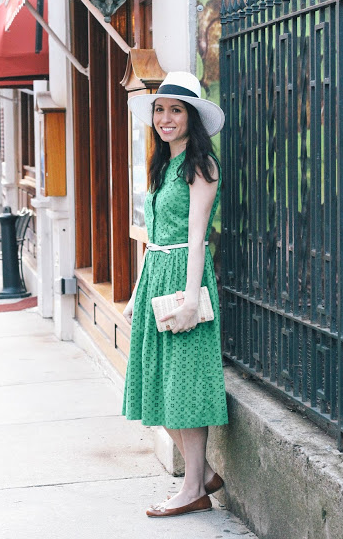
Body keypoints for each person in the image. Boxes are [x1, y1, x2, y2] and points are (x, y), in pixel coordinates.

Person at [122, 71, 229, 518]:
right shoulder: (162, 164)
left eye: (176, 110)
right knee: (155, 383)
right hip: (156, 277)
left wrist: (190, 299)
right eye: (160, 110)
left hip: (185, 280)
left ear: (191, 118)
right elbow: (154, 236)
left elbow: (197, 237)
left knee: (183, 384)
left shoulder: (201, 166)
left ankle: (192, 489)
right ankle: (201, 477)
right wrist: (134, 292)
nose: (165, 118)